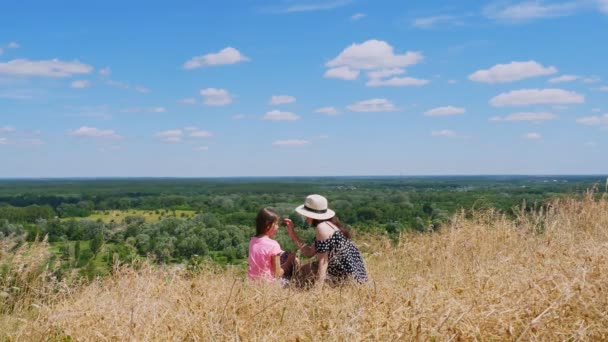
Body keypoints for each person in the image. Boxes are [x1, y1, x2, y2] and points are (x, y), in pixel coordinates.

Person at [285, 194, 367, 288]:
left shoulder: (322, 228)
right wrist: (292, 234)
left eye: (306, 214)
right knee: (306, 269)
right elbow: (309, 253)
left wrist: (317, 290)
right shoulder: (330, 225)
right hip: (357, 277)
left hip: (345, 279)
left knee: (306, 270)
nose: (305, 217)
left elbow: (323, 262)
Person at [248, 207, 296, 283]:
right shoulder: (273, 245)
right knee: (295, 280)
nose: (278, 227)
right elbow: (277, 274)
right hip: (269, 284)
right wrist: (289, 261)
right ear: (268, 225)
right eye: (276, 224)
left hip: (252, 283)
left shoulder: (252, 241)